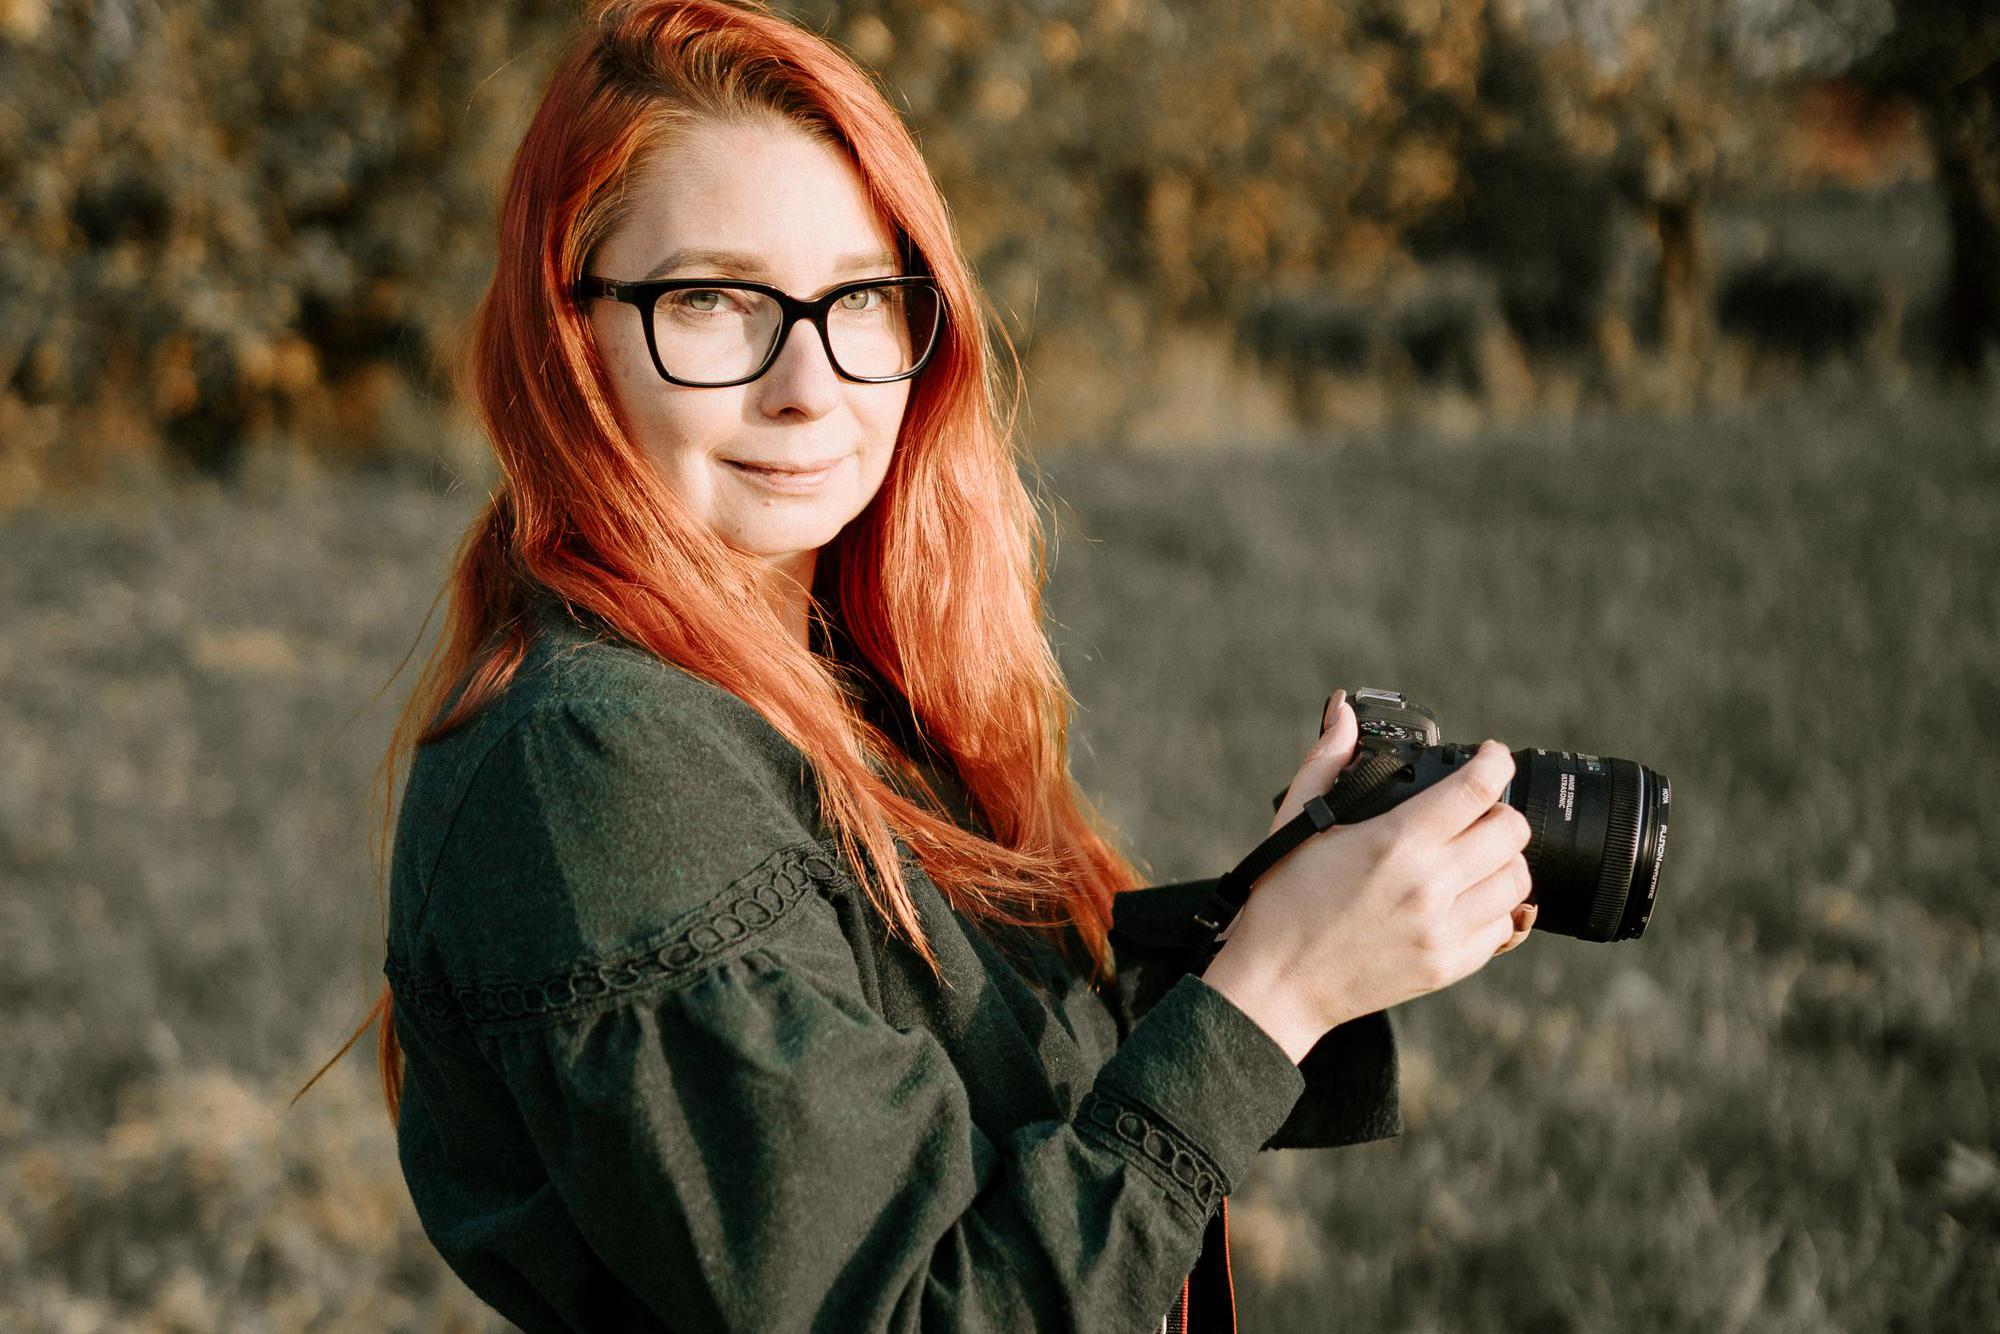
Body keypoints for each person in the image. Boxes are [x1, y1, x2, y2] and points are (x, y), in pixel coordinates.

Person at [325, 2, 1537, 1329]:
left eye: (861, 297)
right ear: (569, 333)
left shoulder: (809, 673)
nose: (811, 384)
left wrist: (1290, 918)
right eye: (715, 300)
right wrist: (1274, 990)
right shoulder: (599, 761)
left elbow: (959, 1054)